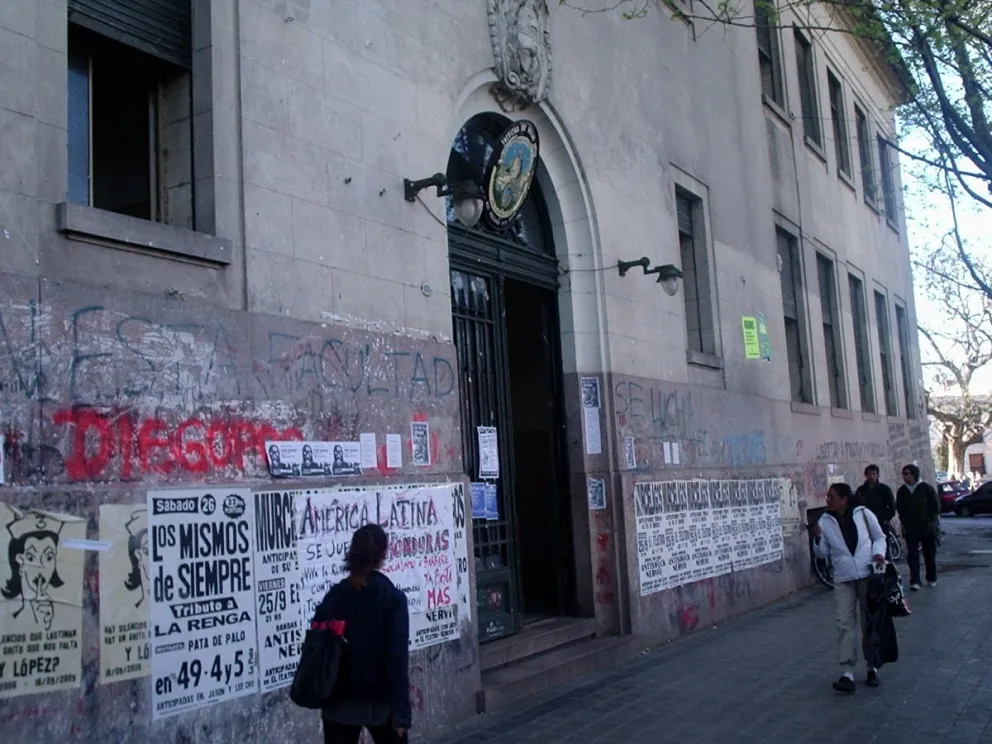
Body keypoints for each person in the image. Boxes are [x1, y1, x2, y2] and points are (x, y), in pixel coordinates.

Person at [315, 524, 411, 744]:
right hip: (379, 702)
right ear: (383, 554)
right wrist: (402, 715)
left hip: (338, 698)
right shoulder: (392, 599)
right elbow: (396, 660)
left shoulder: (335, 596)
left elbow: (317, 641)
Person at [811, 483, 887, 693]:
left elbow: (879, 537)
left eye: (832, 497)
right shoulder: (825, 521)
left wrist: (878, 554)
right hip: (843, 577)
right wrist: (817, 538)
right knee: (844, 623)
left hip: (866, 574)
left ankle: (871, 667)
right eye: (827, 496)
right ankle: (847, 673)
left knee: (868, 622)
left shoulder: (863, 514)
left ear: (844, 500)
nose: (827, 500)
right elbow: (822, 553)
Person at [896, 464, 940, 591]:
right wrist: (905, 521)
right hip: (911, 528)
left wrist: (930, 520)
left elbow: (935, 506)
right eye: (903, 474)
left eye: (907, 473)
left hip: (927, 527)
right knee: (912, 555)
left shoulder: (926, 488)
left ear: (914, 474)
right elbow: (900, 508)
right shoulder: (902, 491)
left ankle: (931, 577)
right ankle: (915, 580)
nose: (905, 476)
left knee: (929, 553)